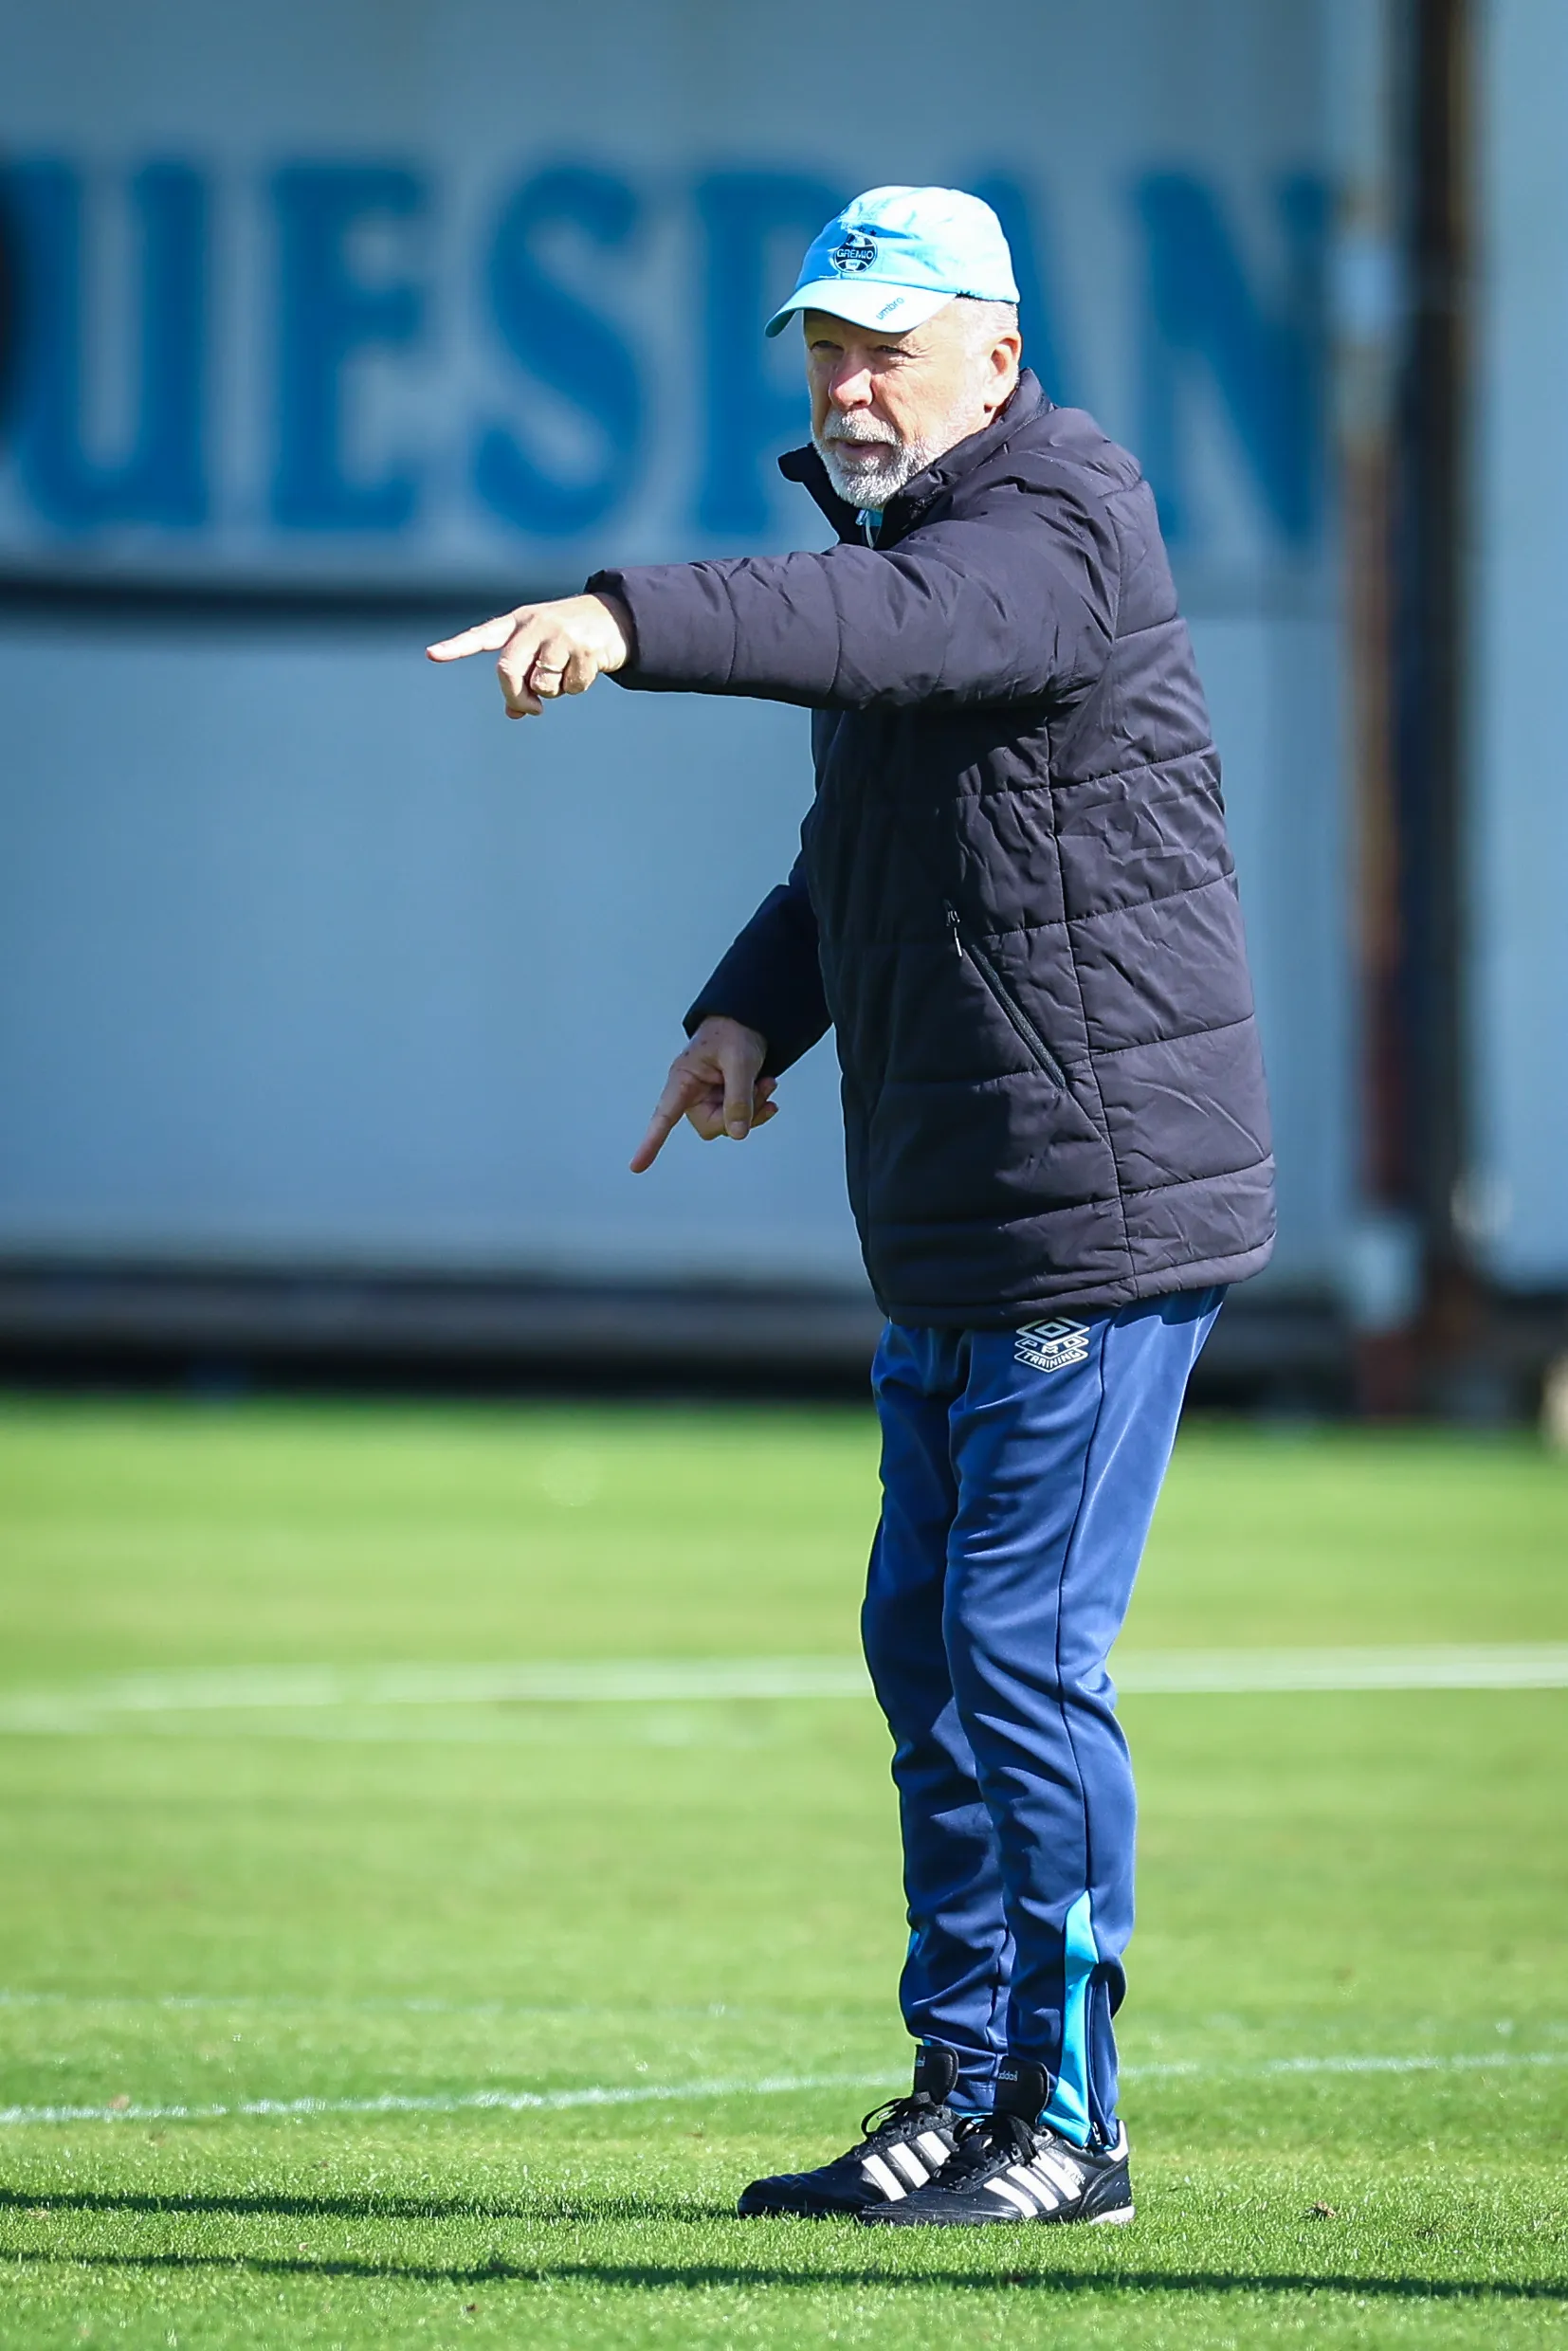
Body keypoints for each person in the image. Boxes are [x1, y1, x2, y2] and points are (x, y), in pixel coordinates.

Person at [428, 185, 1274, 2229]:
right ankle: (962, 2085)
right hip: (956, 1198)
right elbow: (859, 850)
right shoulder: (913, 549)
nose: (846, 376)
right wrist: (746, 1013)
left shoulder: (1051, 521)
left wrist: (627, 615)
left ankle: (1066, 2127)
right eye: (823, 341)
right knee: (924, 1641)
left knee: (1011, 1651)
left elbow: (896, 637)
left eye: (885, 341)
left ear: (995, 350)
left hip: (1096, 1200)